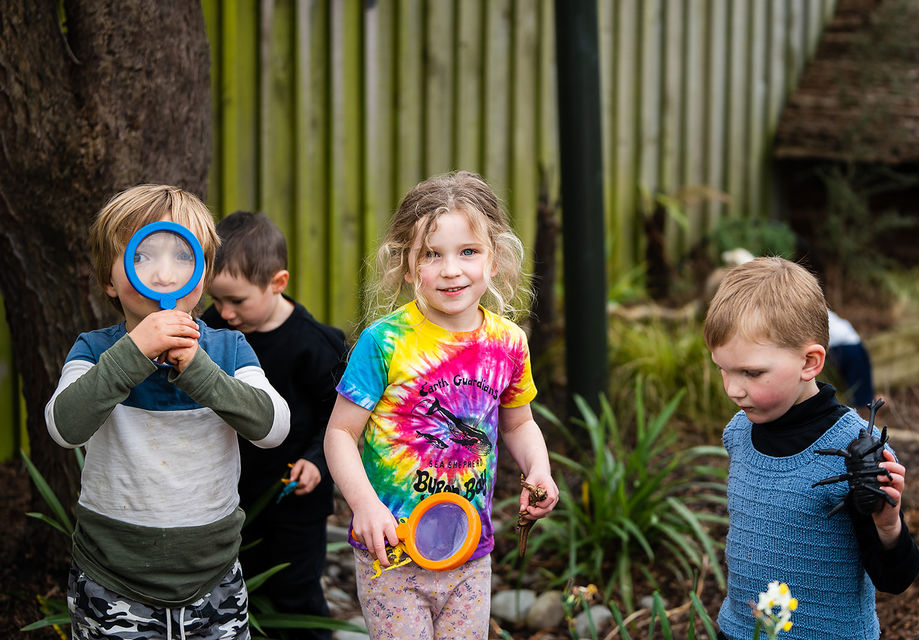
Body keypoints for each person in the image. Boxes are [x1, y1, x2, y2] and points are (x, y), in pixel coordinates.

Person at [45, 185, 291, 640]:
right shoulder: (94, 351)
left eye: (182, 256)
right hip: (110, 580)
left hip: (213, 580)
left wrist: (200, 371)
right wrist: (132, 353)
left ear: (203, 272)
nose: (162, 274)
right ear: (108, 281)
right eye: (141, 257)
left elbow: (273, 428)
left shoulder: (229, 349)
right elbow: (65, 427)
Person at [324, 170, 559, 639]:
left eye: (468, 251)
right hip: (392, 553)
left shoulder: (509, 342)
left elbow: (518, 424)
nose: (452, 269)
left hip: (469, 552)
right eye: (432, 254)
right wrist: (364, 505)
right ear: (408, 268)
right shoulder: (385, 342)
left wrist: (539, 468)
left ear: (495, 259)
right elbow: (340, 434)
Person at [703, 256, 919, 640]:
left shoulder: (855, 450)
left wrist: (888, 525)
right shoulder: (738, 432)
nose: (733, 389)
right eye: (724, 369)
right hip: (740, 629)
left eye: (751, 373)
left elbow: (894, 579)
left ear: (809, 362)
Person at [201, 211, 347, 640]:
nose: (225, 312)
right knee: (232, 590)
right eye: (216, 300)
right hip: (228, 493)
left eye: (237, 301)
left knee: (294, 591)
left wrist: (317, 461)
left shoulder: (316, 344)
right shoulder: (208, 330)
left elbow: (338, 416)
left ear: (277, 282)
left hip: (294, 497)